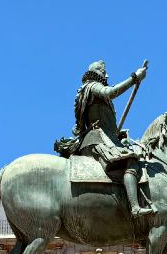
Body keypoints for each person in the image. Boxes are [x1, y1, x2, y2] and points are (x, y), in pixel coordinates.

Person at [57, 60, 156, 218]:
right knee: (130, 162)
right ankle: (135, 207)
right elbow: (110, 92)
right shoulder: (92, 86)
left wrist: (116, 133)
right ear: (96, 73)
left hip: (105, 138)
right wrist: (134, 78)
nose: (107, 75)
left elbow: (104, 122)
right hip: (97, 140)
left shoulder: (90, 90)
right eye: (104, 72)